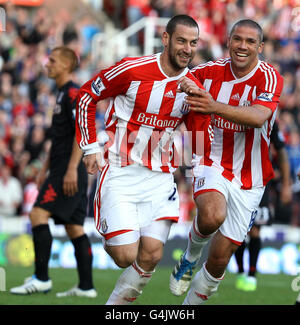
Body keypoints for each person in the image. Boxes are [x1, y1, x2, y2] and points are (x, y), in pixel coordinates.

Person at [75, 15, 211, 305]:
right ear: (165, 39)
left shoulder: (194, 85)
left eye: (193, 43)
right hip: (121, 171)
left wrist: (200, 102)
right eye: (181, 41)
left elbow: (200, 137)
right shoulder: (132, 69)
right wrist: (89, 148)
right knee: (125, 256)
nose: (187, 48)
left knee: (151, 255)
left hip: (160, 177)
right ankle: (113, 232)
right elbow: (87, 96)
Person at [169, 19, 284, 304]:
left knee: (219, 260)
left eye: (249, 41)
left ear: (260, 46)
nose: (242, 46)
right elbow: (175, 86)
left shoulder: (269, 77)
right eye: (237, 39)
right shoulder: (207, 72)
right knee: (212, 215)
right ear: (229, 41)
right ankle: (190, 255)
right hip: (212, 158)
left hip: (251, 177)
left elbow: (258, 116)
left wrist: (213, 106)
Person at [10, 47, 97, 298]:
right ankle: (86, 287)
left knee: (37, 214)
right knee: (74, 228)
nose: (47, 64)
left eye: (53, 60)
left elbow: (81, 132)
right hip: (59, 169)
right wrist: (44, 168)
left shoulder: (72, 94)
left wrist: (70, 169)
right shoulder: (61, 94)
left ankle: (41, 279)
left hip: (67, 172)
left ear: (67, 66)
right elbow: (60, 138)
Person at [235, 121, 292, 291]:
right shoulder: (234, 113)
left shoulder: (270, 120)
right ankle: (240, 271)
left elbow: (281, 151)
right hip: (234, 177)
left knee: (255, 229)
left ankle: (251, 276)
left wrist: (286, 184)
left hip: (260, 181)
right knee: (238, 229)